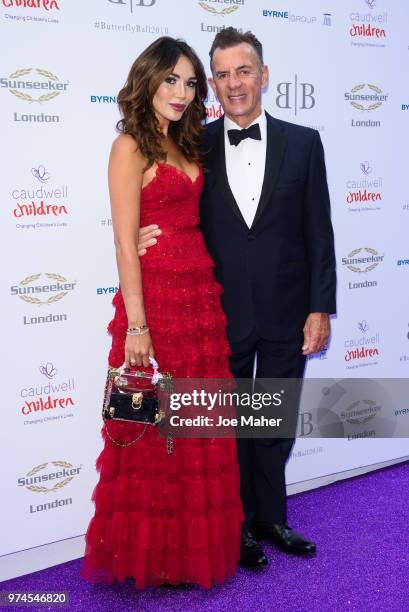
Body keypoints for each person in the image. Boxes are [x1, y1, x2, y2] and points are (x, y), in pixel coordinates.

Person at [138, 28, 337, 568]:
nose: (233, 84)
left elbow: (320, 232)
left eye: (243, 71)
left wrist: (320, 307)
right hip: (213, 310)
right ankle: (237, 527)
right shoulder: (191, 142)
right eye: (222, 74)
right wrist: (139, 235)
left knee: (271, 419)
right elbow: (163, 200)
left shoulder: (305, 142)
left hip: (287, 309)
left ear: (264, 75)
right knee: (223, 426)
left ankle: (271, 518)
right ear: (213, 84)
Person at [81, 36, 244, 590]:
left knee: (196, 423)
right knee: (154, 429)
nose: (181, 92)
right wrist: (137, 326)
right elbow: (126, 243)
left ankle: (187, 553)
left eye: (191, 82)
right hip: (156, 304)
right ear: (148, 80)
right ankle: (154, 558)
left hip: (199, 296)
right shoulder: (130, 146)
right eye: (171, 79)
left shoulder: (188, 143)